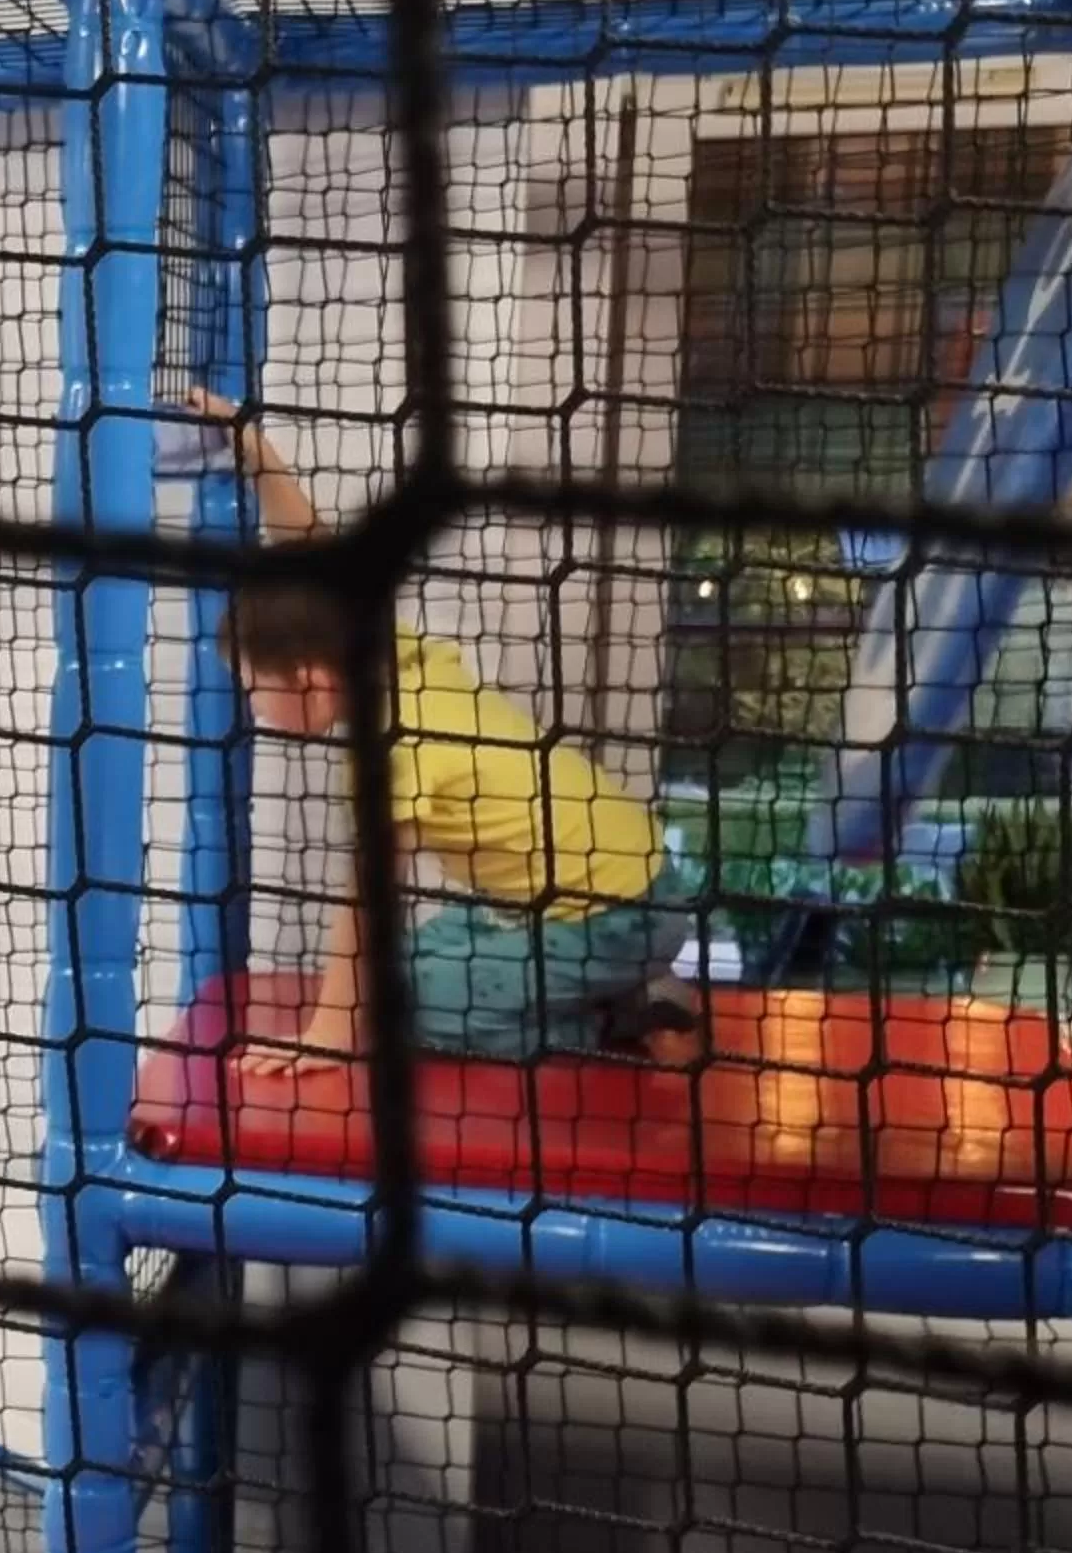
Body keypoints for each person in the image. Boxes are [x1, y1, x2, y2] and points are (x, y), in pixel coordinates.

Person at [194, 392, 700, 1070]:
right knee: (421, 952)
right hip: (632, 885)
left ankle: (615, 1023)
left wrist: (329, 1033)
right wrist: (250, 446)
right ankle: (620, 987)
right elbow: (310, 548)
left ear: (312, 679)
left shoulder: (393, 743)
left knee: (405, 1002)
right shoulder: (381, 650)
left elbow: (370, 899)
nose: (254, 709)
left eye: (256, 690)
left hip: (618, 916)